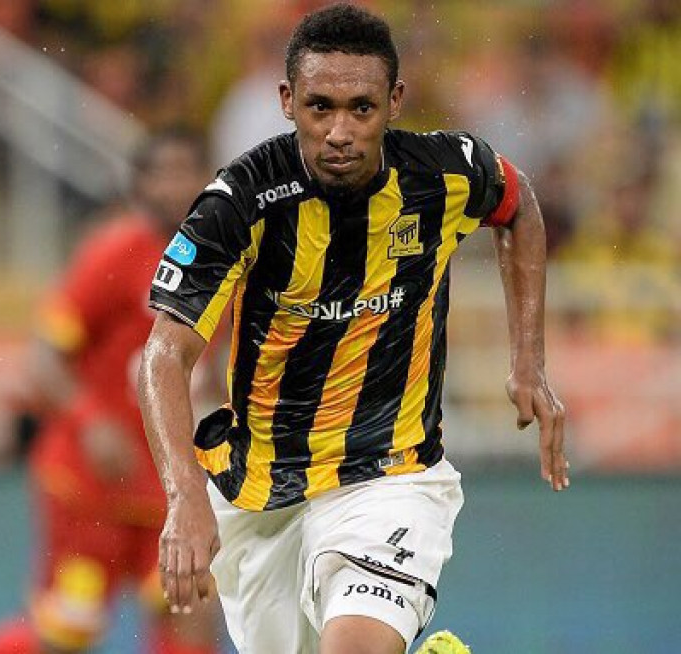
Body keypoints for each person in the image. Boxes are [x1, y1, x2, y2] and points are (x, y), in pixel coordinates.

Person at [137, 4, 568, 654]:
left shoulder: (441, 174)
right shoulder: (240, 201)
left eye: (361, 108)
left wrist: (528, 361)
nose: (340, 131)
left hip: (389, 473)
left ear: (394, 101)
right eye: (320, 107)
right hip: (262, 492)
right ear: (287, 101)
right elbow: (165, 355)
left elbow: (518, 203)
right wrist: (183, 494)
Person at [0, 128, 223, 654]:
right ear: (139, 185)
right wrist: (91, 420)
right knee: (66, 634)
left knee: (192, 613)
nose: (175, 186)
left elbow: (214, 364)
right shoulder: (115, 252)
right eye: (161, 174)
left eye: (186, 171)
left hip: (167, 489)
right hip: (89, 486)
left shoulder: (226, 262)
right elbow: (44, 357)